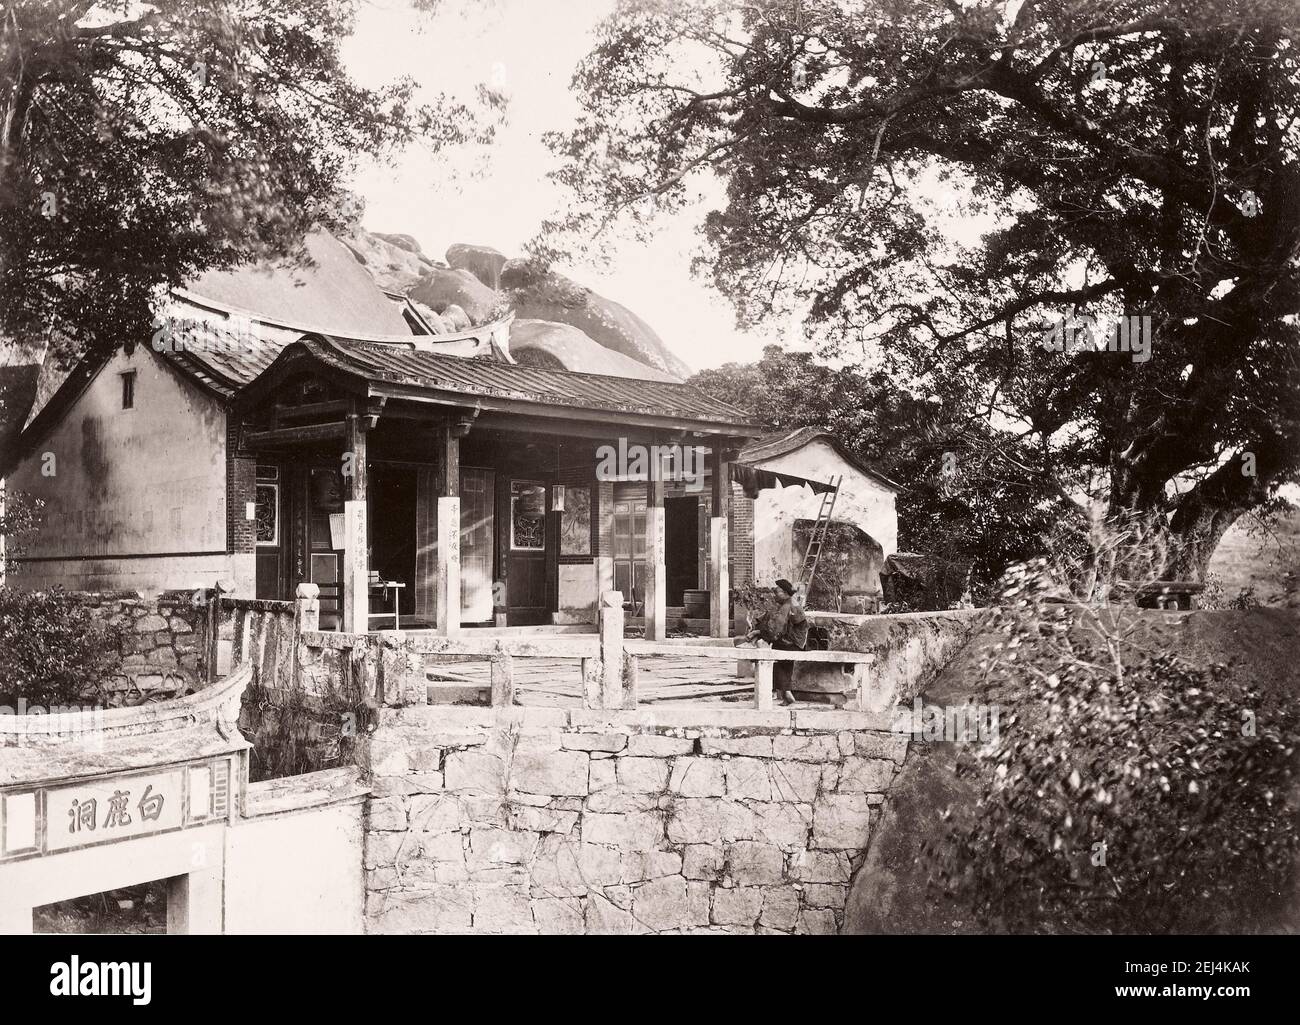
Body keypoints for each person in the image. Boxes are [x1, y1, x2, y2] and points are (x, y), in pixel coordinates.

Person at [740, 578, 808, 705]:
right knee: (780, 659)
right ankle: (785, 693)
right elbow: (772, 621)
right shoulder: (788, 603)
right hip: (794, 641)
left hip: (793, 643)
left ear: (785, 593)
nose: (774, 595)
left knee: (776, 655)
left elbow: (776, 631)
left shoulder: (788, 606)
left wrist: (757, 633)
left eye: (777, 593)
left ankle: (785, 692)